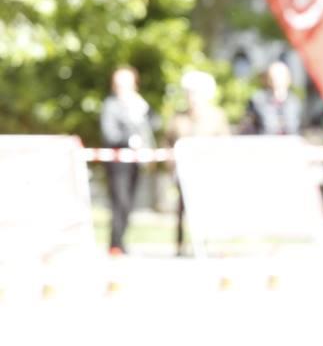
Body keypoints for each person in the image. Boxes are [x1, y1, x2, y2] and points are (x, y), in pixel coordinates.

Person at [166, 70, 230, 256]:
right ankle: (179, 245)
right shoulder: (178, 118)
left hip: (207, 171)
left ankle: (205, 244)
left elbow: (224, 142)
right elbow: (168, 141)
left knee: (207, 209)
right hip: (184, 172)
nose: (192, 97)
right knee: (182, 208)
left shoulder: (216, 116)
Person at [99, 66, 156, 255]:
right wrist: (129, 140)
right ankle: (115, 243)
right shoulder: (111, 105)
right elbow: (109, 133)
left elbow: (151, 126)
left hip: (135, 161)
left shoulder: (140, 104)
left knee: (129, 202)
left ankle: (120, 241)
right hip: (118, 162)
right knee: (120, 201)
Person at [242, 61, 302, 136]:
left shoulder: (294, 102)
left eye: (281, 75)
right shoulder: (258, 100)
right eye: (275, 76)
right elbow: (248, 126)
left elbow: (296, 128)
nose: (278, 79)